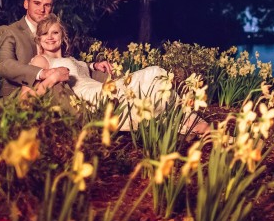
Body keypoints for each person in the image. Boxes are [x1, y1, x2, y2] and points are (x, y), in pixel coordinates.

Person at [30, 14, 208, 134]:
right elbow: (33, 91)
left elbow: (78, 68)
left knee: (155, 73)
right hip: (92, 98)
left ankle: (187, 118)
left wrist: (93, 65)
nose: (50, 37)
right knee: (149, 83)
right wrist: (53, 77)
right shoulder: (41, 60)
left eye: (54, 32)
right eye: (45, 34)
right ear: (39, 39)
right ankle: (188, 122)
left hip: (102, 87)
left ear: (63, 35)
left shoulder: (70, 57)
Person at [0, 0, 111, 98]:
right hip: (19, 97)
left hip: (57, 92)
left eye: (47, 5)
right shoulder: (8, 31)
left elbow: (60, 60)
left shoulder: (53, 32)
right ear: (26, 4)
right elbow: (4, 65)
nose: (42, 9)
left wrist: (92, 65)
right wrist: (42, 73)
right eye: (37, 3)